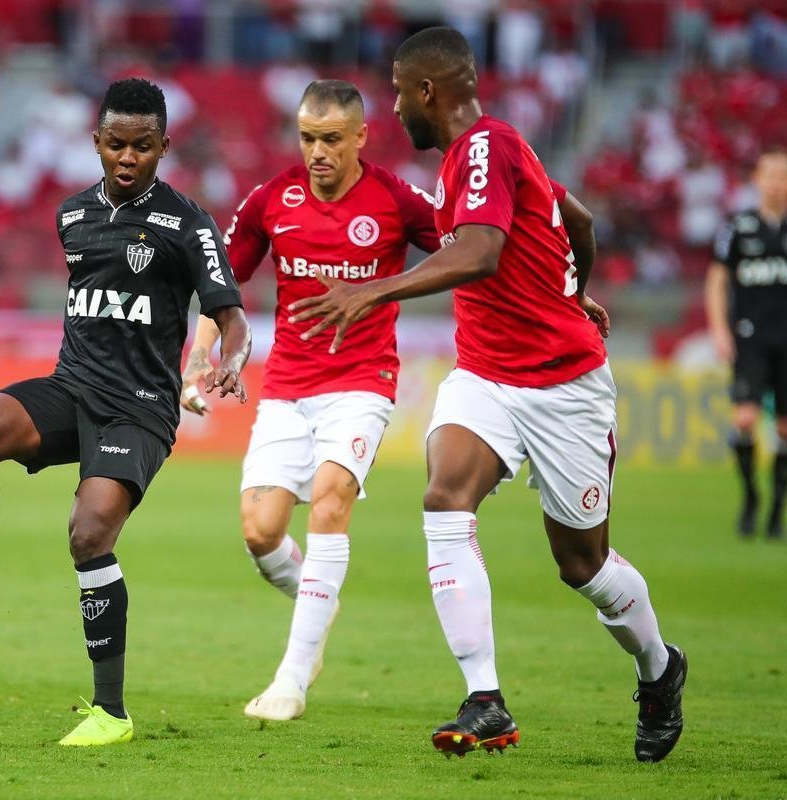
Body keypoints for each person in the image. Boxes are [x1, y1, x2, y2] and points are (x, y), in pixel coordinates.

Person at [289, 27, 686, 763]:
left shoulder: (485, 148)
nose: (398, 107)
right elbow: (578, 221)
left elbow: (479, 251)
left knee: (583, 565)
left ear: (428, 92)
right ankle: (486, 699)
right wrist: (577, 287)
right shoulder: (488, 155)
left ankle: (659, 668)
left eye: (402, 93)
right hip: (485, 377)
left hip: (564, 385)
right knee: (444, 499)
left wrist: (374, 292)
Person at [0, 78, 252, 747]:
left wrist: (227, 360)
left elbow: (231, 315)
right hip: (73, 386)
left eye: (142, 146)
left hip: (138, 409)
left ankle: (111, 713)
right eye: (115, 144)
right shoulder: (72, 215)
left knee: (88, 534)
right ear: (96, 143)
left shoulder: (188, 223)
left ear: (163, 146)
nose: (127, 158)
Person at [181, 79, 440, 721]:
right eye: (307, 138)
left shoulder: (398, 199)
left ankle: (291, 678)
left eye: (330, 139)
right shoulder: (273, 199)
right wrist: (198, 358)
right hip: (288, 388)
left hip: (362, 384)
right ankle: (318, 598)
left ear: (360, 137)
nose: (317, 152)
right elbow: (223, 283)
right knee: (261, 531)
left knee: (329, 503)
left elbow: (468, 252)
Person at [704, 147, 787, 540]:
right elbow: (717, 280)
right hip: (750, 337)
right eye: (770, 174)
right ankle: (752, 498)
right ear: (757, 180)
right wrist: (720, 330)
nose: (777, 183)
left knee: (785, 429)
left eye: (783, 176)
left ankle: (777, 510)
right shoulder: (738, 226)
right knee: (745, 419)